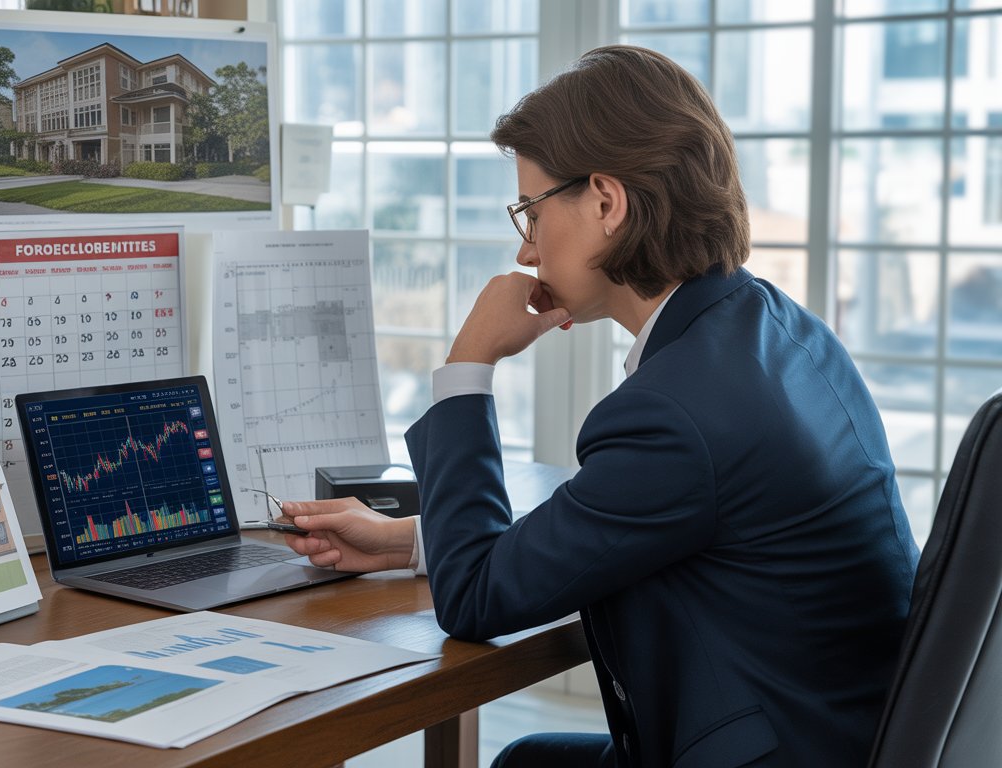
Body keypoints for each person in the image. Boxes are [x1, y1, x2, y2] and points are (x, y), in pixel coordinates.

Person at [281, 45, 920, 768]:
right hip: (839, 733)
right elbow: (632, 524)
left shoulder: (676, 415)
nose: (525, 252)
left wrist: (467, 366)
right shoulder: (780, 330)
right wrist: (409, 541)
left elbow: (475, 601)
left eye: (531, 211)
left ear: (607, 202)